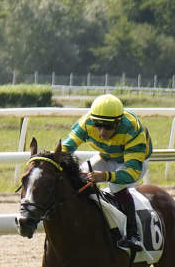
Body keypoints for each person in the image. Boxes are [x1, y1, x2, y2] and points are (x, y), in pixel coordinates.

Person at [58, 93, 153, 253]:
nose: (101, 132)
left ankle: (133, 235)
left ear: (118, 122)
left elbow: (131, 173)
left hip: (134, 162)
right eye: (98, 125)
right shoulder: (86, 122)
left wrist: (105, 176)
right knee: (79, 176)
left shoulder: (132, 129)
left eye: (108, 126)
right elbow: (65, 149)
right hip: (106, 156)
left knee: (116, 185)